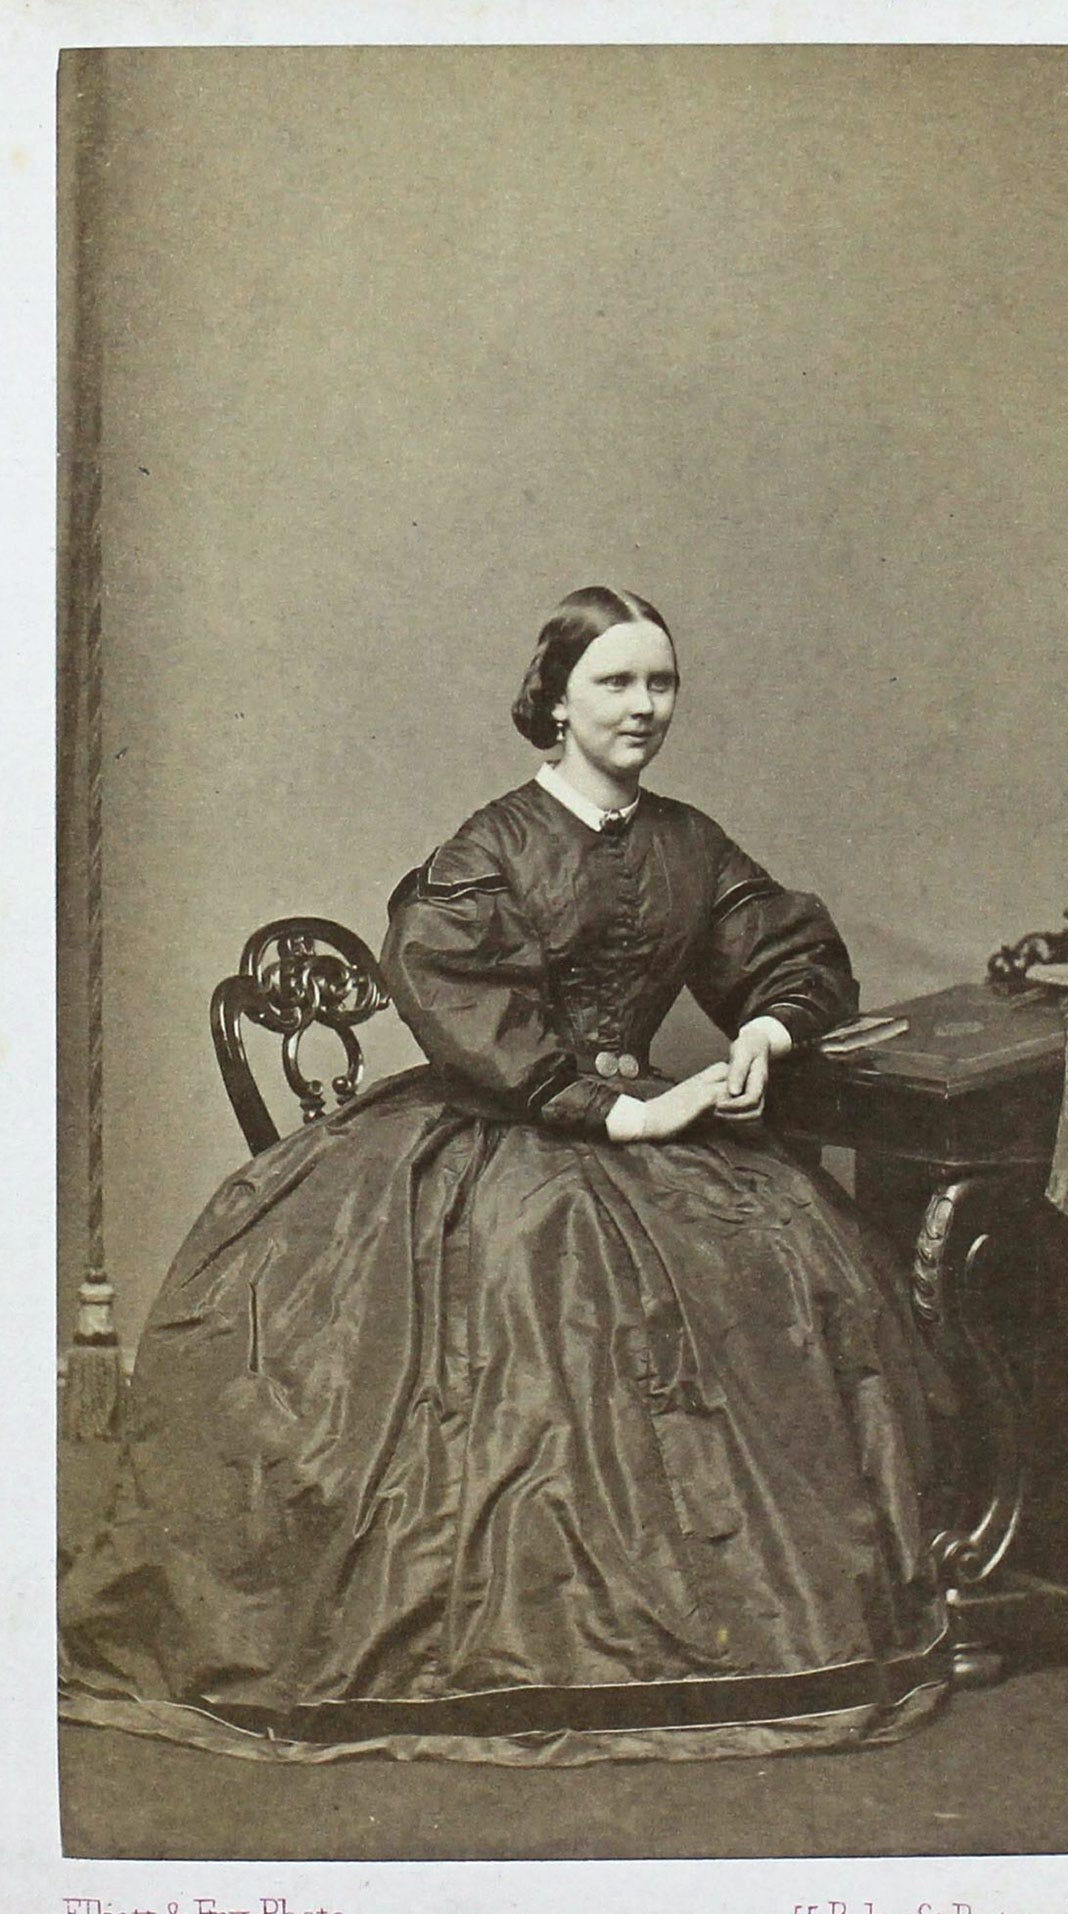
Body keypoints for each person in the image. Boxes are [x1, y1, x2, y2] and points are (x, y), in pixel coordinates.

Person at [60, 585, 953, 1766]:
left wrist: (763, 1037)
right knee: (539, 1305)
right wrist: (614, 1112)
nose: (644, 707)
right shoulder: (491, 848)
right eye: (616, 684)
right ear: (557, 701)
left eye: (661, 683)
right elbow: (447, 987)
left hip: (664, 1126)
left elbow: (785, 949)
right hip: (503, 1130)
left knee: (775, 1272)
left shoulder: (689, 840)